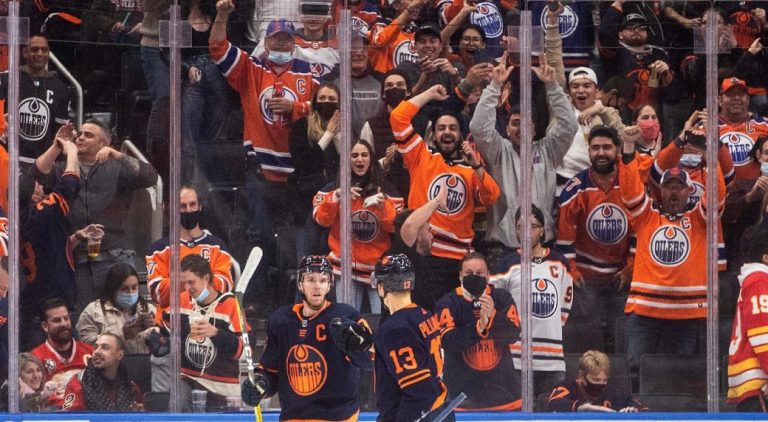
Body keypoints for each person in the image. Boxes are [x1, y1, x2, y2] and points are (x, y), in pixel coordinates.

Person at [210, 1, 319, 306]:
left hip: (296, 176)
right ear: (266, 42)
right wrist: (221, 16)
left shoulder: (308, 73)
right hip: (260, 170)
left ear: (294, 42)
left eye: (287, 38)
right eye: (276, 39)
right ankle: (255, 301)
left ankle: (295, 301)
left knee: (296, 240)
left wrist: (296, 108)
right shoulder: (251, 70)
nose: (282, 43)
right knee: (258, 237)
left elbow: (327, 108)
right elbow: (218, 47)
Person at [619, 125, 725, 370]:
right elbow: (630, 192)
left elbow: (716, 197)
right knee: (634, 372)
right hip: (645, 310)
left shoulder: (700, 220)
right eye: (669, 186)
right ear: (661, 190)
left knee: (679, 375)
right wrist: (627, 149)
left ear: (690, 191)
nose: (674, 191)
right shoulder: (647, 215)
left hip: (686, 314)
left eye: (679, 187)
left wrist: (710, 158)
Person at [390, 83, 501, 310]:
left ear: (461, 135)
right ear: (433, 134)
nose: (447, 132)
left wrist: (478, 166)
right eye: (441, 128)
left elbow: (491, 197)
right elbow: (398, 118)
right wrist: (429, 94)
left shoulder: (471, 171)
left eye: (452, 128)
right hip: (423, 256)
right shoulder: (420, 157)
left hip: (456, 262)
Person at [40, 119, 158, 316]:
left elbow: (150, 176)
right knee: (81, 318)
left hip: (114, 255)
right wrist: (56, 147)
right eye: (80, 133)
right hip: (77, 257)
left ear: (103, 144)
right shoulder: (63, 169)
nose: (81, 137)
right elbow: (35, 177)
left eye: (89, 135)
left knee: (124, 317)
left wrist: (117, 154)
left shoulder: (117, 168)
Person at [470, 53, 577, 266]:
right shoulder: (498, 150)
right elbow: (479, 128)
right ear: (507, 130)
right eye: (515, 123)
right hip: (502, 246)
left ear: (535, 129)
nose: (521, 128)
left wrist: (552, 86)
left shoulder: (548, 150)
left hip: (542, 243)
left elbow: (569, 127)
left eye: (526, 123)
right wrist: (495, 86)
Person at [239, 256, 374, 420]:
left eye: (323, 280)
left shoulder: (346, 317)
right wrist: (260, 385)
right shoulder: (281, 321)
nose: (317, 286)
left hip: (336, 417)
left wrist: (359, 346)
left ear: (329, 285)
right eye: (311, 280)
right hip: (294, 417)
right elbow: (271, 372)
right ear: (300, 284)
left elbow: (370, 361)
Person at [490, 205, 574, 398]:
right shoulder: (505, 265)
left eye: (533, 226)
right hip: (516, 358)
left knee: (551, 414)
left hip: (551, 358)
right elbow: (494, 308)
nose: (526, 232)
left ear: (543, 230)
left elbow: (563, 308)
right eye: (521, 227)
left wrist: (547, 327)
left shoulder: (560, 263)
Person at [556, 125, 632, 337]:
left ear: (617, 150)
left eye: (607, 147)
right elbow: (564, 237)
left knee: (622, 332)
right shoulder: (575, 188)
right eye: (595, 147)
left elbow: (640, 231)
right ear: (588, 151)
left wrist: (630, 267)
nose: (601, 153)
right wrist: (572, 268)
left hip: (621, 273)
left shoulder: (629, 183)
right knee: (587, 335)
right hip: (586, 277)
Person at [314, 140, 402, 313]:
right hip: (345, 269)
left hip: (378, 270)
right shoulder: (333, 190)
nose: (359, 159)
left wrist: (383, 207)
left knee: (383, 322)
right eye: (354, 155)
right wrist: (337, 197)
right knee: (347, 322)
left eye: (364, 155)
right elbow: (321, 220)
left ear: (372, 159)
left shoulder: (387, 191)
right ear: (346, 160)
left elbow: (395, 228)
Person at [18, 126, 82, 350]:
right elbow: (70, 184)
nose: (41, 185)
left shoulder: (17, 213)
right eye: (38, 186)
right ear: (33, 195)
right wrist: (72, 152)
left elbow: (46, 250)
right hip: (49, 306)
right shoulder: (43, 213)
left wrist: (56, 147)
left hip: (32, 298)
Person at [435, 252, 521, 410]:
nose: (474, 276)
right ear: (460, 275)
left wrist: (493, 316)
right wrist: (479, 327)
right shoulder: (447, 302)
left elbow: (513, 334)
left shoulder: (502, 298)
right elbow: (448, 341)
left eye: (479, 273)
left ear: (488, 275)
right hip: (461, 399)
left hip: (504, 396)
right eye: (468, 273)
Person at [161, 254, 246, 410]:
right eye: (184, 283)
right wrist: (155, 333)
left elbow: (246, 352)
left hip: (222, 389)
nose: (187, 288)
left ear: (206, 278)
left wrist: (216, 334)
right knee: (177, 395)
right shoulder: (182, 300)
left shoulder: (230, 305)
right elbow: (164, 329)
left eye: (191, 282)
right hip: (189, 380)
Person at [372, 254, 450, 421]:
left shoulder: (395, 329)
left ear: (381, 287)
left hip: (419, 416)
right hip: (439, 407)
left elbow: (420, 392)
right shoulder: (424, 315)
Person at [289, 83, 341, 261]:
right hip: (307, 204)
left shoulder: (346, 130)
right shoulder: (301, 127)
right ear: (314, 102)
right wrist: (328, 134)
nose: (327, 102)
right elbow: (304, 162)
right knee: (307, 262)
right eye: (323, 99)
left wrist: (339, 135)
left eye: (332, 99)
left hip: (335, 206)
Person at [0, 34, 71, 163]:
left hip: (41, 164)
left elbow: (59, 133)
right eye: (34, 49)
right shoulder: (5, 80)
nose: (39, 53)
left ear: (49, 53)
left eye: (44, 50)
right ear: (24, 52)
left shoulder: (61, 89)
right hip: (7, 159)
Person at [557, 67, 626, 192]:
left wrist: (601, 110)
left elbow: (624, 139)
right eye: (575, 86)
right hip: (563, 181)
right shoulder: (561, 111)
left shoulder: (608, 113)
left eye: (587, 85)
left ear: (597, 91)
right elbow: (555, 65)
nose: (581, 90)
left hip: (597, 182)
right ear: (569, 91)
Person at [727, 224, 768, 411]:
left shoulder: (755, 279)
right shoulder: (759, 279)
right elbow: (762, 335)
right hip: (757, 383)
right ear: (765, 257)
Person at [76, 263, 156, 354]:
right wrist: (123, 334)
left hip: (144, 365)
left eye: (134, 287)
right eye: (124, 289)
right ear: (113, 289)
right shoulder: (93, 311)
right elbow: (84, 346)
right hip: (108, 367)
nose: (130, 293)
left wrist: (156, 332)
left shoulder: (148, 309)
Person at [30, 298, 94, 408]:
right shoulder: (34, 358)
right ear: (45, 326)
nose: (63, 323)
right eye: (57, 320)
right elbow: (30, 401)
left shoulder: (90, 352)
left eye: (66, 318)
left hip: (87, 412)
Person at [62, 333, 144, 411]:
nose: (97, 352)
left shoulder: (131, 388)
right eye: (95, 347)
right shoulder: (79, 382)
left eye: (105, 347)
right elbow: (70, 418)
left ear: (119, 355)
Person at [547, 350, 646, 412]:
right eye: (596, 379)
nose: (601, 384)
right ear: (581, 376)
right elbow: (553, 403)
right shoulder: (567, 387)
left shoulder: (615, 392)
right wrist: (581, 408)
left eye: (605, 380)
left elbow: (644, 410)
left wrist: (633, 412)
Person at [719, 77, 768, 185]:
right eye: (730, 94)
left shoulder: (765, 125)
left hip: (759, 195)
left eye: (741, 94)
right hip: (719, 195)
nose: (736, 98)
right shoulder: (705, 127)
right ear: (720, 100)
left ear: (748, 99)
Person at [368, 0, 424, 78]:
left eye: (418, 3)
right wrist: (408, 10)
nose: (416, 4)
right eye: (411, 0)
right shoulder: (381, 24)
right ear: (396, 5)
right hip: (385, 84)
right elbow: (380, 41)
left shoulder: (421, 32)